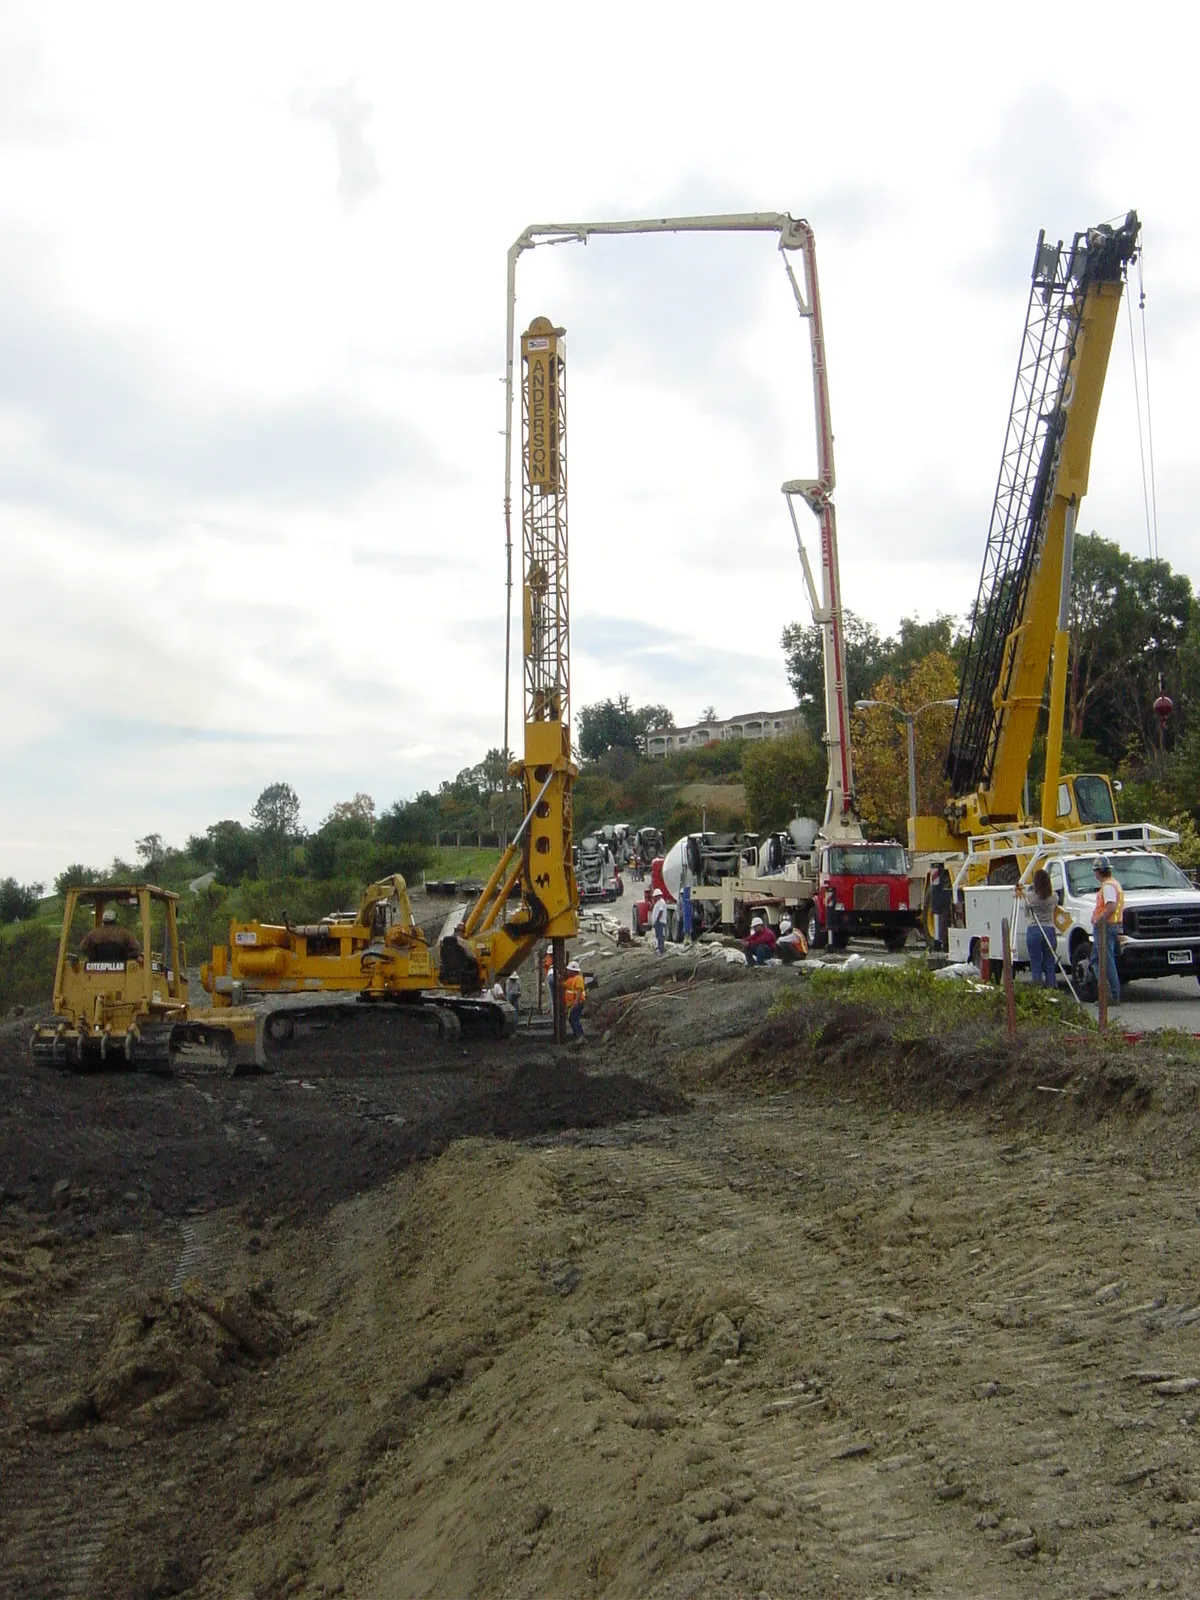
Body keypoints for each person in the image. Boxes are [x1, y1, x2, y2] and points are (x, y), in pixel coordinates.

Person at [1089, 854, 1123, 1004]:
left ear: (1098, 872)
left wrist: (1098, 919)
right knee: (1096, 959)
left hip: (1105, 927)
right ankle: (1106, 992)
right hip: (1110, 926)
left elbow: (1111, 906)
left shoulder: (1108, 886)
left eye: (1095, 871)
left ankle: (1112, 994)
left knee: (1106, 960)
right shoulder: (1114, 883)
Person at [1018, 867, 1059, 989]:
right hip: (1049, 930)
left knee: (1035, 962)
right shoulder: (1054, 897)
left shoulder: (1030, 897)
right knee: (1049, 962)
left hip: (1034, 929)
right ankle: (1052, 987)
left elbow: (1025, 910)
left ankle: (1038, 990)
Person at [563, 960, 586, 1042]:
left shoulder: (578, 978)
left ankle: (580, 1036)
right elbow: (563, 985)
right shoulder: (570, 979)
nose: (567, 971)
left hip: (578, 1002)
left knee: (574, 1019)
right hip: (573, 1003)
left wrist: (576, 1002)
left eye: (568, 970)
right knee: (572, 1019)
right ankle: (577, 1035)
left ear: (573, 971)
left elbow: (579, 990)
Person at [650, 889, 669, 954]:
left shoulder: (661, 902)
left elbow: (661, 911)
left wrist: (657, 920)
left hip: (660, 922)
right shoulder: (658, 902)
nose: (654, 898)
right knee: (658, 935)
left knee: (660, 936)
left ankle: (661, 949)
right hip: (658, 922)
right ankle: (660, 948)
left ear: (658, 896)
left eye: (655, 896)